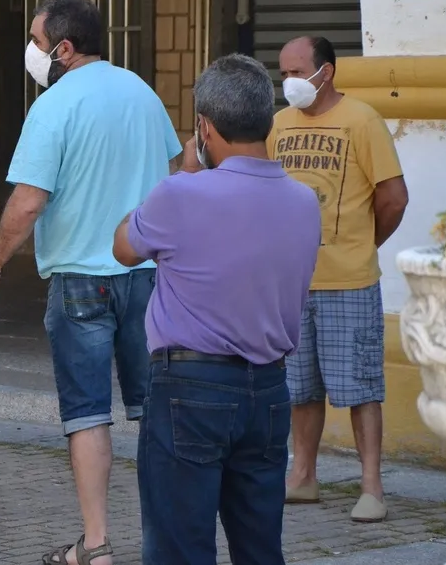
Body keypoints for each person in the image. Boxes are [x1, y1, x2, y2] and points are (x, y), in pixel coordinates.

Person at [0, 0, 183, 565]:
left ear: (63, 48)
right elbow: (177, 172)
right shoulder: (142, 92)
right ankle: (166, 539)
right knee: (153, 412)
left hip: (80, 280)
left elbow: (27, 202)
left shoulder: (53, 106)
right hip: (146, 276)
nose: (31, 52)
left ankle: (97, 545)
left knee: (86, 414)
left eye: (35, 42)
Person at [113, 53, 321, 565]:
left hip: (190, 387)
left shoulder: (180, 193)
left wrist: (186, 172)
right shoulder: (304, 201)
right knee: (260, 548)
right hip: (269, 387)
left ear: (204, 127)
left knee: (179, 548)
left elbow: (123, 248)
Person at [269, 36, 408, 522]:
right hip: (293, 282)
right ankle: (303, 476)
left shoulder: (362, 120)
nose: (288, 82)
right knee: (300, 388)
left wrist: (364, 244)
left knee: (360, 388)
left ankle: (372, 486)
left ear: (325, 72)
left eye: (296, 72)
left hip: (349, 282)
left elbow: (393, 198)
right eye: (283, 73)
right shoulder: (279, 124)